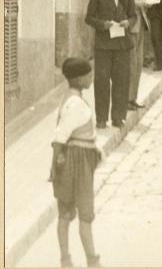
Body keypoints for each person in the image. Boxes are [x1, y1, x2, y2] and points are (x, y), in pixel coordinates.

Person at [51, 58, 101, 269]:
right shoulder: (76, 104)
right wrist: (58, 162)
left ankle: (66, 258)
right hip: (77, 161)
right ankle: (91, 259)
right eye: (89, 75)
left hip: (74, 157)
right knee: (84, 212)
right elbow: (60, 136)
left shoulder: (70, 98)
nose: (91, 78)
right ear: (79, 79)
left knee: (66, 211)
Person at [85, 0, 137, 129]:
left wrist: (127, 23)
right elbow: (89, 18)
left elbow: (133, 16)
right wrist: (103, 25)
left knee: (121, 80)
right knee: (101, 81)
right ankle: (101, 118)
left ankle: (118, 116)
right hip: (104, 45)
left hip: (122, 44)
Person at [122, 0, 152, 111]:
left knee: (138, 64)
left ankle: (133, 98)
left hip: (141, 23)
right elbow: (122, 1)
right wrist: (139, 3)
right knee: (130, 64)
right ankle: (126, 99)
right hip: (130, 25)